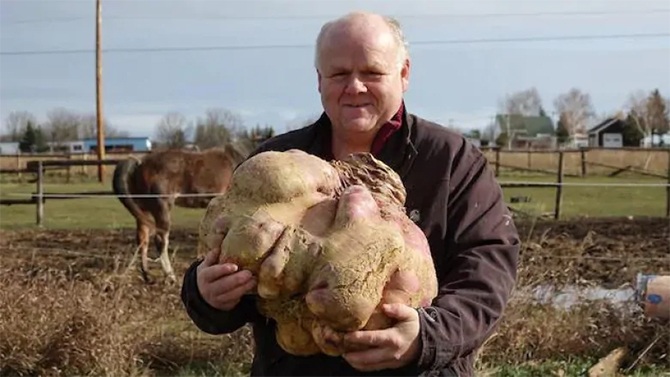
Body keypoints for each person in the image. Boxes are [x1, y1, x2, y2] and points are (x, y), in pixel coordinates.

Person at [181, 11, 520, 377]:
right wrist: (206, 295)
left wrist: (428, 336)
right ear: (319, 80)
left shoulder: (452, 160)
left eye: (372, 72)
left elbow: (487, 267)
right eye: (339, 73)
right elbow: (229, 266)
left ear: (404, 74)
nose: (355, 87)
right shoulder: (273, 165)